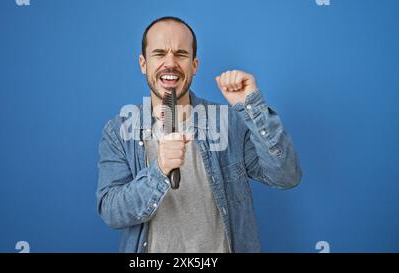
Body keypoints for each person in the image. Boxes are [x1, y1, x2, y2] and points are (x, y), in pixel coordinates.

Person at [96, 16, 302, 253]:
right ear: (143, 64)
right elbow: (111, 211)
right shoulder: (119, 132)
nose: (170, 63)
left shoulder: (229, 121)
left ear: (194, 65)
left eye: (181, 54)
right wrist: (159, 170)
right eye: (159, 53)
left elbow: (286, 176)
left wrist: (251, 107)